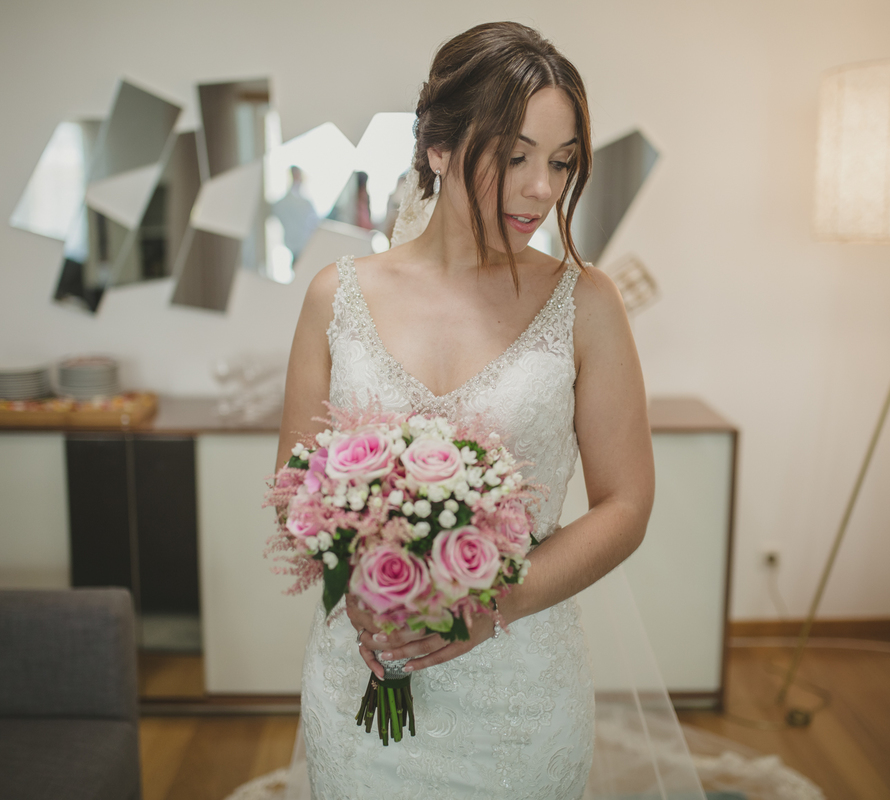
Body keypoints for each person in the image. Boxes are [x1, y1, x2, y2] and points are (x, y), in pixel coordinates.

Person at [271, 21, 688, 799]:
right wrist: (372, 587)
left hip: (518, 690)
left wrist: (493, 605)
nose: (543, 188)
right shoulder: (339, 296)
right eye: (516, 154)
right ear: (437, 148)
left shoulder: (586, 304)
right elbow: (296, 491)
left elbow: (627, 505)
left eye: (562, 162)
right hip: (362, 672)